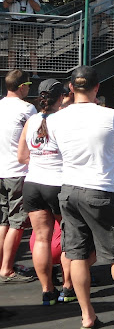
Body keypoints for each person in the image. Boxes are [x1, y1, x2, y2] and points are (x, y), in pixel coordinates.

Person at [47, 66, 114, 329]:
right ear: (97, 88)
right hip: (101, 190)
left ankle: (87, 316)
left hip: (70, 190)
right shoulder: (110, 116)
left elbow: (58, 152)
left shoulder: (55, 119)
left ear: (71, 88)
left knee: (77, 255)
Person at [17, 79, 76, 305]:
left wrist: (41, 159)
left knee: (41, 238)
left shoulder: (31, 120)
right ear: (61, 97)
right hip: (58, 184)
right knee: (69, 237)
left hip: (33, 184)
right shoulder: (64, 120)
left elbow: (22, 157)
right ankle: (68, 287)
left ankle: (47, 291)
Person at [0, 69, 37, 283]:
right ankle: (6, 269)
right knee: (17, 223)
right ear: (22, 86)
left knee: (3, 220)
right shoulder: (27, 108)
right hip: (17, 171)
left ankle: (4, 264)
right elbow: (37, 137)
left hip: (2, 170)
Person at [3, 0, 41, 76]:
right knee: (12, 51)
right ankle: (10, 73)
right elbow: (5, 5)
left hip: (29, 24)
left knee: (32, 51)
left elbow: (38, 8)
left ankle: (35, 73)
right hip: (15, 23)